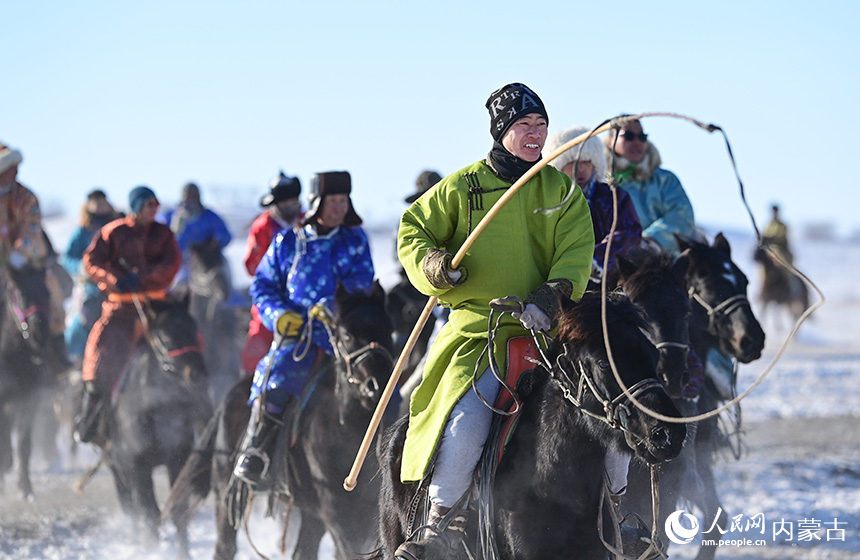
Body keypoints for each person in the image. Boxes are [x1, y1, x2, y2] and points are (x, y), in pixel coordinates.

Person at [394, 83, 595, 559]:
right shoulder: (463, 187)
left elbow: (576, 250)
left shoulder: (560, 189)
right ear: (501, 130)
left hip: (549, 333)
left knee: (604, 413)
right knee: (465, 427)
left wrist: (553, 294)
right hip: (478, 337)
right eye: (524, 125)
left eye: (541, 124)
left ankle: (620, 515)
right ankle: (441, 522)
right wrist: (433, 266)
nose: (535, 134)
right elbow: (413, 231)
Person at [232, 170, 375, 487]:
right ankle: (257, 450)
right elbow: (263, 286)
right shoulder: (288, 242)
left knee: (380, 382)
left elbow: (362, 282)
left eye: (343, 201)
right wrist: (278, 315)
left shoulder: (354, 239)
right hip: (299, 339)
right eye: (332, 201)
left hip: (345, 336)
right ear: (316, 203)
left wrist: (335, 305)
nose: (339, 208)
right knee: (276, 378)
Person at [74, 186, 182, 444]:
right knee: (99, 353)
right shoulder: (113, 232)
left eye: (156, 204)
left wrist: (143, 278)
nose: (153, 209)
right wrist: (114, 279)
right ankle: (91, 415)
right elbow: (92, 262)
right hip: (120, 310)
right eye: (148, 204)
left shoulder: (163, 233)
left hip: (158, 310)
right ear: (136, 206)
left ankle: (201, 410)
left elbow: (172, 263)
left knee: (188, 349)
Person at [545, 125, 642, 281]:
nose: (581, 168)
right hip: (557, 285)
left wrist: (596, 258)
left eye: (587, 161)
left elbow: (629, 233)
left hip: (609, 287)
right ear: (558, 166)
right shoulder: (547, 202)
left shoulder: (613, 197)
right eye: (573, 162)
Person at [239, 172, 303, 376]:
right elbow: (252, 266)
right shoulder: (262, 227)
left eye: (294, 201)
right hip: (271, 300)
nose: (291, 207)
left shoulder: (308, 222)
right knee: (256, 348)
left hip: (303, 298)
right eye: (285, 202)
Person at [603, 119, 697, 255]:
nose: (637, 142)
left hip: (662, 264)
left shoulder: (665, 180)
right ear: (611, 141)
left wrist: (647, 242)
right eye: (628, 136)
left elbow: (682, 217)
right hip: (606, 264)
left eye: (642, 137)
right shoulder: (597, 182)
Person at [63, 189, 123, 369]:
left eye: (102, 201)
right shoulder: (82, 231)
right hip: (89, 287)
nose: (100, 206)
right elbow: (68, 258)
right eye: (95, 202)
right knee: (81, 322)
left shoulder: (117, 226)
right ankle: (76, 361)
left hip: (117, 285)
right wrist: (82, 268)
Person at [160, 182, 232, 296]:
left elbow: (225, 235)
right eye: (187, 196)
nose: (190, 199)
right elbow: (158, 237)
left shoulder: (209, 217)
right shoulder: (170, 216)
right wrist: (172, 232)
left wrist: (214, 242)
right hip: (176, 263)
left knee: (217, 280)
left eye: (194, 196)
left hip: (204, 263)